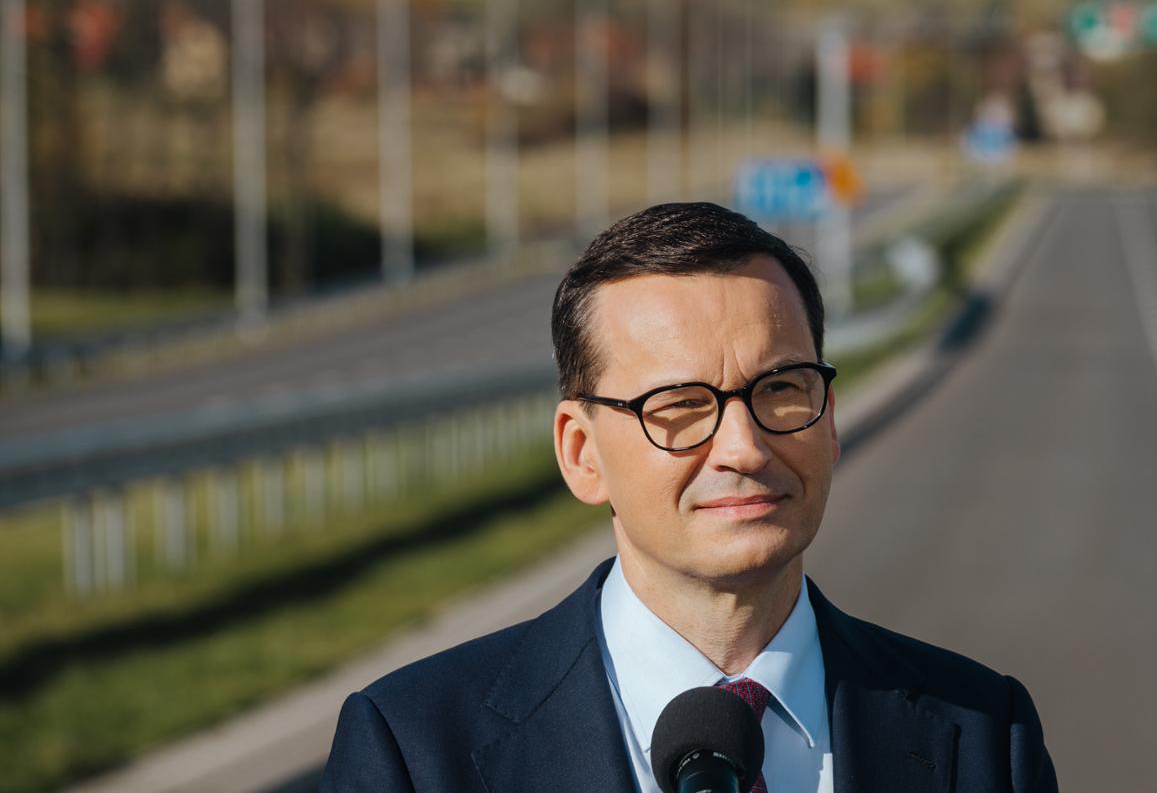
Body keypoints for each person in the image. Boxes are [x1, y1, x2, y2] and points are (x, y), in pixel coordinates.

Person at [319, 203, 1058, 792]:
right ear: (582, 454)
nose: (743, 447)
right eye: (679, 405)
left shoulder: (985, 733)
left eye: (780, 389)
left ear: (828, 420)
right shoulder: (414, 750)